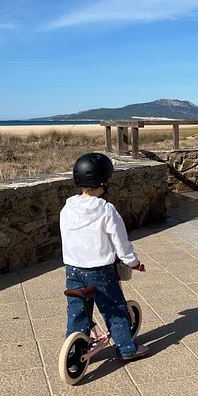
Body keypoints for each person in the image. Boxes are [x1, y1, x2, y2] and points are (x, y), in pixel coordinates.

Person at [59, 152, 148, 362]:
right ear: (104, 181)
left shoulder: (67, 208)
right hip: (99, 271)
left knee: (77, 311)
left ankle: (74, 349)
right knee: (114, 309)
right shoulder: (106, 210)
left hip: (72, 268)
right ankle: (127, 349)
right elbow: (121, 243)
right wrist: (133, 262)